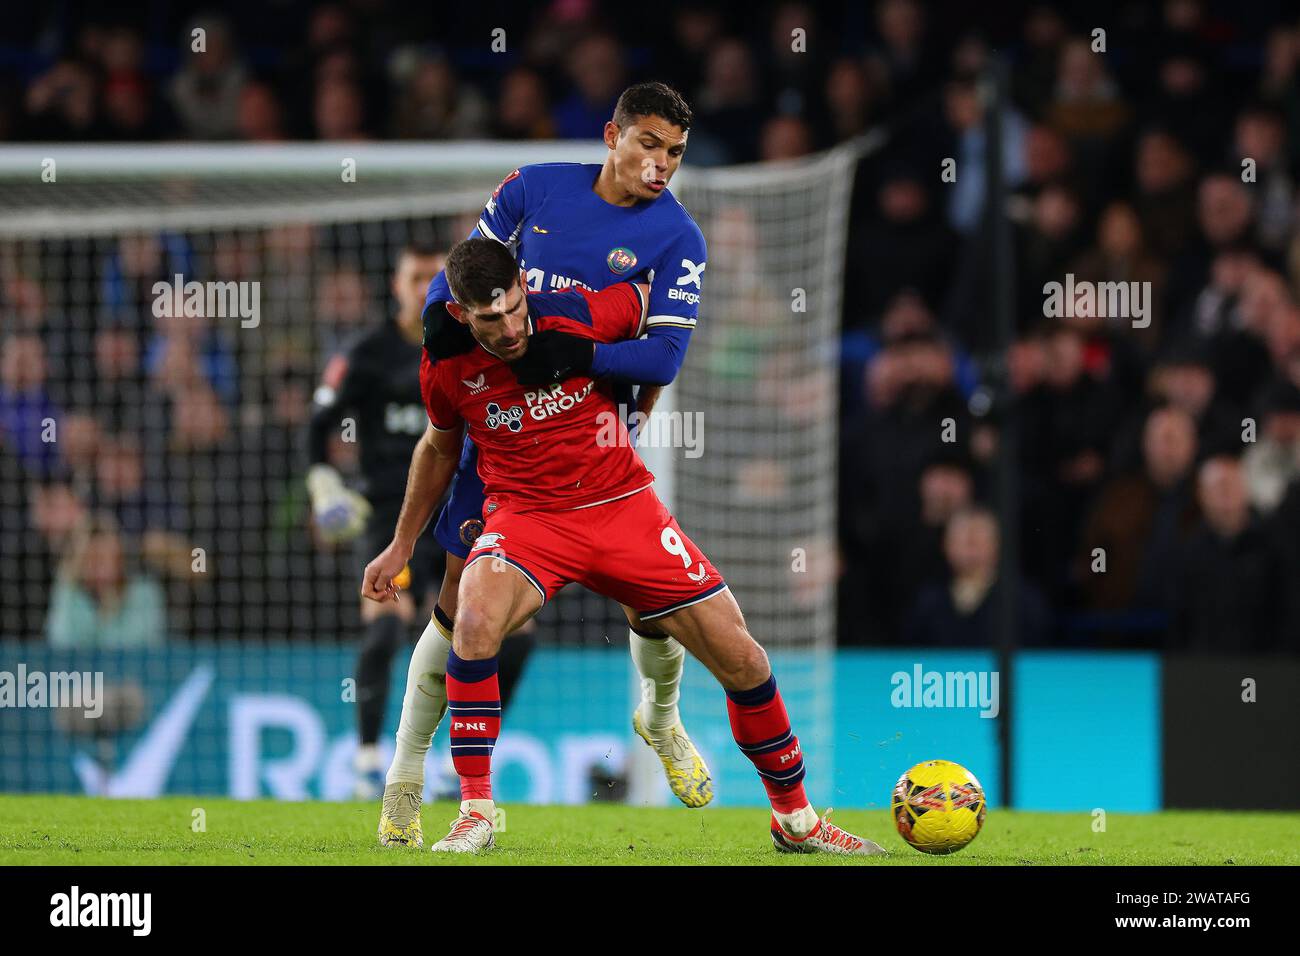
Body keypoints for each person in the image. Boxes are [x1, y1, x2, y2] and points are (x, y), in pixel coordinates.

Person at [364, 238, 885, 856]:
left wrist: (640, 396)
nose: (507, 330)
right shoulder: (447, 366)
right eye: (488, 318)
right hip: (527, 517)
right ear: (460, 315)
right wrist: (400, 545)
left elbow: (666, 320)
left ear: (525, 288)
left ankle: (795, 821)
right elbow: (440, 448)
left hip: (622, 507)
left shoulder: (579, 311)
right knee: (471, 617)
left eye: (512, 310)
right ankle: (473, 810)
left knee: (742, 658)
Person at [376, 81, 714, 843]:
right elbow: (468, 265)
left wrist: (576, 351)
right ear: (613, 136)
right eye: (650, 146)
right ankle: (404, 779)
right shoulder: (533, 189)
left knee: (651, 600)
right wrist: (438, 311)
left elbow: (661, 355)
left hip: (599, 425)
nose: (661, 166)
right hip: (504, 434)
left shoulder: (677, 237)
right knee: (461, 598)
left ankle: (660, 721)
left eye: (676, 154)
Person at [306, 244, 448, 799]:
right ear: (397, 283)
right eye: (415, 277)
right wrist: (322, 481)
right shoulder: (366, 352)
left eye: (435, 277)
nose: (423, 289)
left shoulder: (465, 349)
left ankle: (454, 759)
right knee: (389, 624)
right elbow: (318, 422)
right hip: (389, 517)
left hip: (455, 515)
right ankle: (368, 760)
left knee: (484, 638)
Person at [46, 513, 166, 649]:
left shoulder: (144, 592)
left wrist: (109, 608)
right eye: (90, 560)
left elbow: (145, 643)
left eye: (104, 558)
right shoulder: (69, 592)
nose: (97, 568)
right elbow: (62, 642)